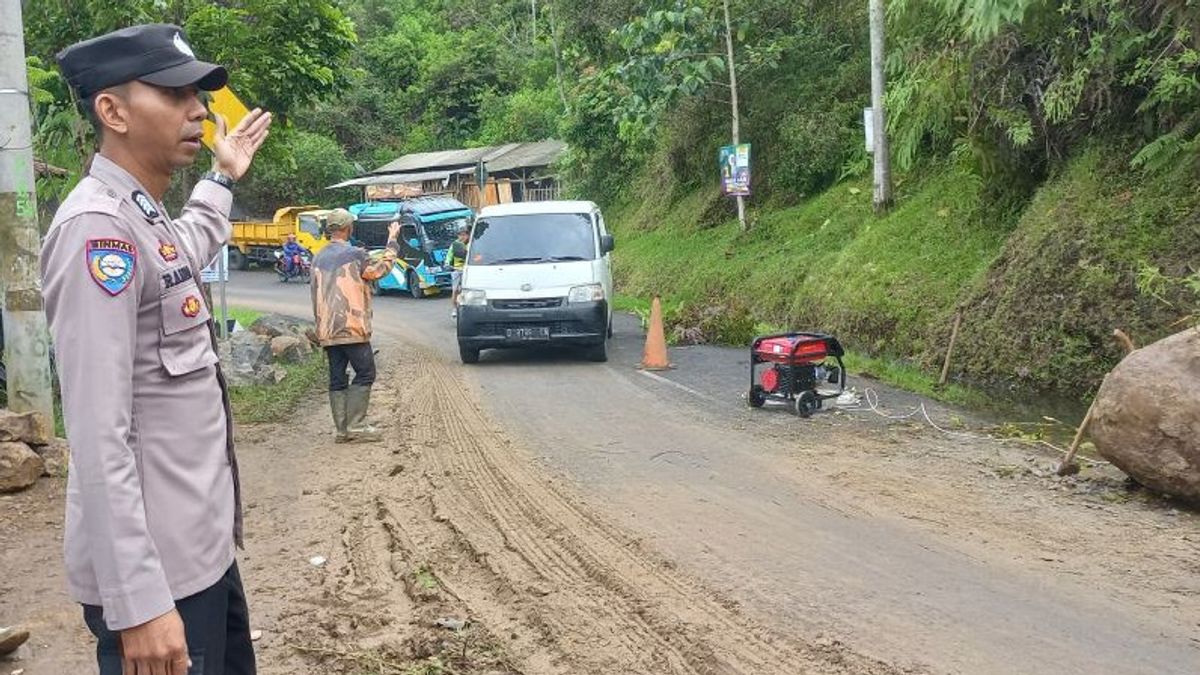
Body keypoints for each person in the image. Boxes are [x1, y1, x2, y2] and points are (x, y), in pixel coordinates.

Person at [41, 24, 272, 675]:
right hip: (158, 580)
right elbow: (96, 434)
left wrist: (225, 177)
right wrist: (138, 603)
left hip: (200, 555)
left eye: (198, 93)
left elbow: (187, 245)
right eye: (175, 93)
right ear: (112, 111)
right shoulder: (97, 233)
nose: (198, 108)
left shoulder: (142, 218)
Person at [310, 209, 400, 442]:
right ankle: (356, 426)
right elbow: (380, 270)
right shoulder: (355, 254)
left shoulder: (317, 257)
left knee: (337, 377)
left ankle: (342, 430)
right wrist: (392, 241)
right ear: (348, 228)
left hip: (327, 329)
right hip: (352, 326)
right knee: (366, 372)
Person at [448, 224, 470, 319]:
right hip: (456, 270)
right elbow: (449, 256)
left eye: (464, 235)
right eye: (460, 235)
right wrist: (447, 264)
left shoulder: (471, 244)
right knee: (455, 290)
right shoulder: (455, 245)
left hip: (468, 270)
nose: (462, 237)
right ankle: (454, 309)